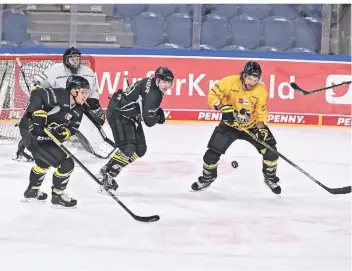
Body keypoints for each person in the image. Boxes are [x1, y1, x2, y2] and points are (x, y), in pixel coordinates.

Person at [191, 61, 281, 194]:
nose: (251, 82)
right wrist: (223, 108)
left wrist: (261, 129)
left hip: (251, 126)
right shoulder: (229, 82)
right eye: (249, 78)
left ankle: (270, 178)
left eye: (255, 80)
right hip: (229, 125)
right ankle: (207, 178)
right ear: (243, 75)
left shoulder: (261, 90)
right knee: (210, 155)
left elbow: (260, 112)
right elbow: (212, 95)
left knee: (271, 152)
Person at [14, 47, 104, 162]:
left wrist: (94, 100)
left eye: (77, 59)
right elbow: (37, 83)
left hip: (78, 103)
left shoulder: (88, 71)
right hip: (57, 103)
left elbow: (94, 88)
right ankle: (24, 148)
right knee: (40, 124)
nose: (75, 62)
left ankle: (87, 141)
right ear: (66, 60)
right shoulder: (55, 70)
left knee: (90, 120)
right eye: (72, 60)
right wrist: (38, 96)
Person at [97, 67, 174, 192]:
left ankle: (105, 170)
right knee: (127, 148)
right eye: (164, 82)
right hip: (119, 113)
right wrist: (157, 117)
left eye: (169, 82)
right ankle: (108, 178)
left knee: (140, 149)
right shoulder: (153, 95)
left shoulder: (152, 83)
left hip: (130, 114)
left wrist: (154, 113)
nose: (166, 85)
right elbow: (148, 121)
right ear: (158, 80)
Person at [19, 75, 91, 208]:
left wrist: (63, 133)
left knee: (43, 162)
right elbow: (37, 93)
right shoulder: (59, 95)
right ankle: (58, 197)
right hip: (31, 132)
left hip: (44, 136)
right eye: (83, 92)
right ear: (73, 91)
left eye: (87, 92)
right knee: (66, 163)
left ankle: (31, 192)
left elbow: (72, 128)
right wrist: (39, 113)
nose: (85, 96)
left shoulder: (78, 109)